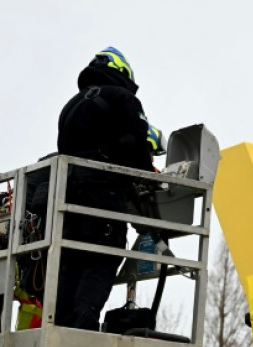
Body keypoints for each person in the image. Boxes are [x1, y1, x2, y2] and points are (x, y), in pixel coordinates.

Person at [50, 46, 152, 331]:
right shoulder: (122, 98)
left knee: (71, 259)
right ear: (123, 73)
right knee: (102, 258)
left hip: (68, 195)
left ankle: (59, 328)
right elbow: (136, 145)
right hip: (103, 194)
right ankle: (82, 328)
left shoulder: (71, 105)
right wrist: (148, 177)